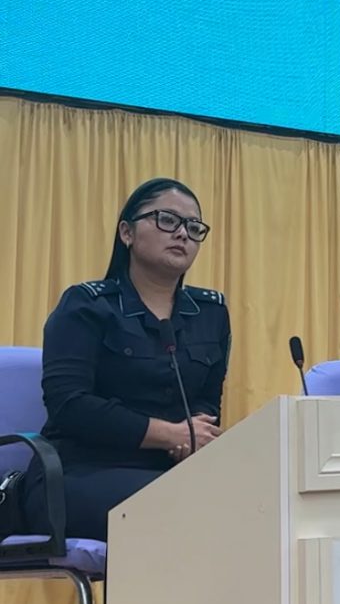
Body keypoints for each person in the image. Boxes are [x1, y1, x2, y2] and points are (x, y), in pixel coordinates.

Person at [22, 177, 231, 542]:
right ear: (127, 233)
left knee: (260, 501)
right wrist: (170, 434)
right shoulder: (86, 305)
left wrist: (190, 440)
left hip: (171, 472)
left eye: (194, 227)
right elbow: (69, 405)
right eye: (167, 220)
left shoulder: (211, 312)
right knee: (187, 511)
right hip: (78, 470)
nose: (182, 233)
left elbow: (206, 403)